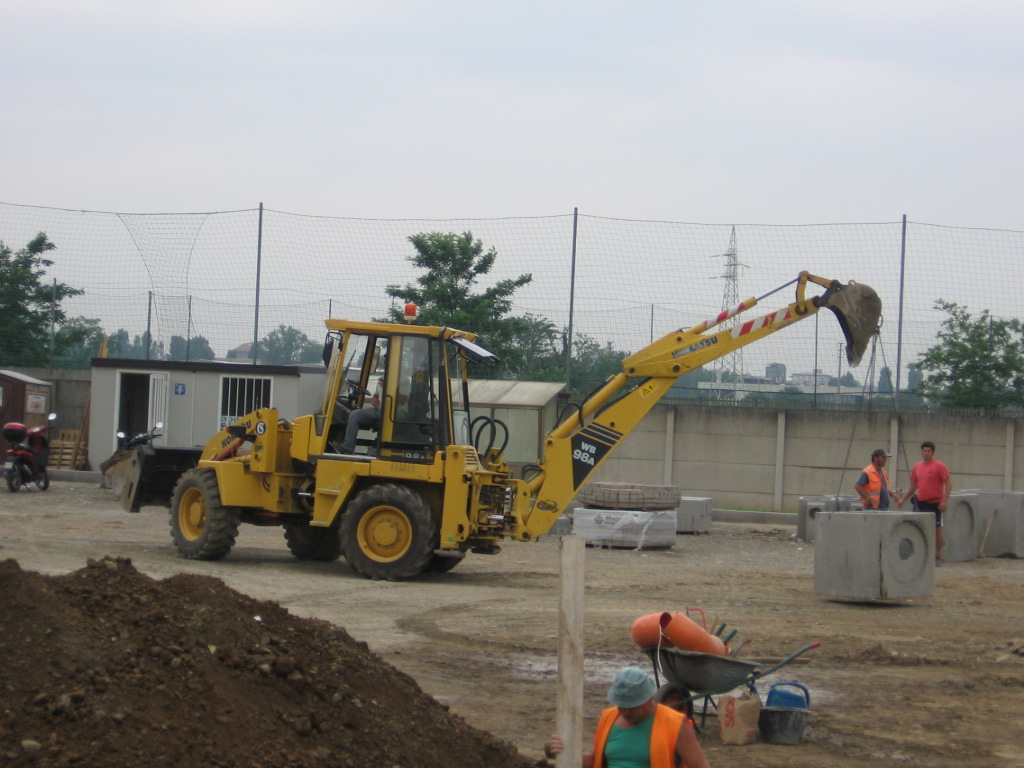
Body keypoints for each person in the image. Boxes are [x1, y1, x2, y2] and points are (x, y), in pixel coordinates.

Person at [544, 666, 710, 768]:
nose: (626, 712)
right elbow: (595, 761)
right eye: (622, 706)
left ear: (649, 699)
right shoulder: (609, 719)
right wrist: (561, 753)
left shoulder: (675, 725)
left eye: (632, 706)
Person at [898, 441, 952, 563]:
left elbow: (948, 484)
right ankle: (921, 553)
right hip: (921, 503)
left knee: (937, 528)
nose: (926, 453)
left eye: (929, 451)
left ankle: (937, 555)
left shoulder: (939, 466)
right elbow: (913, 486)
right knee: (919, 528)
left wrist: (944, 501)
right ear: (921, 452)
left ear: (932, 452)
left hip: (935, 503)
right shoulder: (917, 467)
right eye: (924, 450)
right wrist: (903, 499)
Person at [340, 359, 385, 454]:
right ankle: (347, 445)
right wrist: (374, 399)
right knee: (355, 413)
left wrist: (387, 387)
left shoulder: (401, 380)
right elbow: (376, 394)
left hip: (391, 413)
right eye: (385, 361)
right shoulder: (383, 378)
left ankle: (347, 447)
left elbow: (403, 400)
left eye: (387, 360)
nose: (385, 363)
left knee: (354, 415)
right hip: (378, 409)